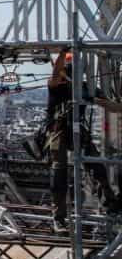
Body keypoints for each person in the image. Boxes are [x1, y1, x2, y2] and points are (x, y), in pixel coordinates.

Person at [44, 48, 119, 231]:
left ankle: (111, 205)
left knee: (97, 169)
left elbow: (112, 106)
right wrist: (62, 53)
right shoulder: (58, 85)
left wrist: (108, 103)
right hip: (59, 130)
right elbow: (55, 74)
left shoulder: (86, 88)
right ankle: (59, 217)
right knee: (59, 174)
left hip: (77, 130)